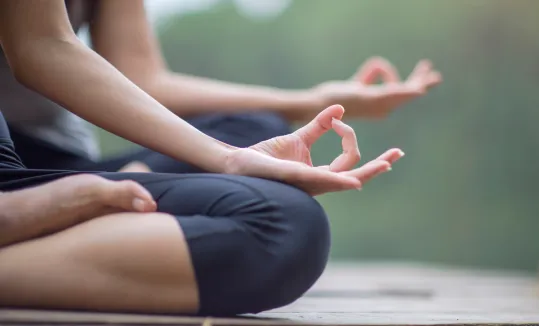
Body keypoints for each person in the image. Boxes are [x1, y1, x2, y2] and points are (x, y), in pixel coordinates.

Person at [0, 0, 405, 316]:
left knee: (285, 220)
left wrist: (302, 108)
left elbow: (130, 71)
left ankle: (82, 207)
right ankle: (46, 218)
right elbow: (37, 48)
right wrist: (226, 160)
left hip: (50, 162)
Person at [0, 0, 441, 173]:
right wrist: (226, 162)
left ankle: (118, 191)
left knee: (256, 130)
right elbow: (40, 48)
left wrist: (315, 101)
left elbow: (143, 80)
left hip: (60, 155)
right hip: (8, 163)